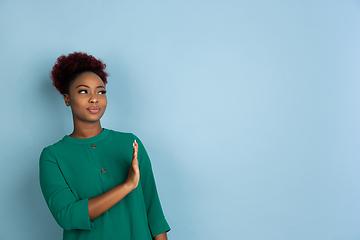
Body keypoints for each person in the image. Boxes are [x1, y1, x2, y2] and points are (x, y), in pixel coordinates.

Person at [39, 52, 170, 240]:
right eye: (84, 91)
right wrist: (126, 186)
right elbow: (67, 216)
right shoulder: (53, 156)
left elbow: (154, 213)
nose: (94, 98)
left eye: (101, 91)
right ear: (67, 99)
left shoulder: (130, 143)